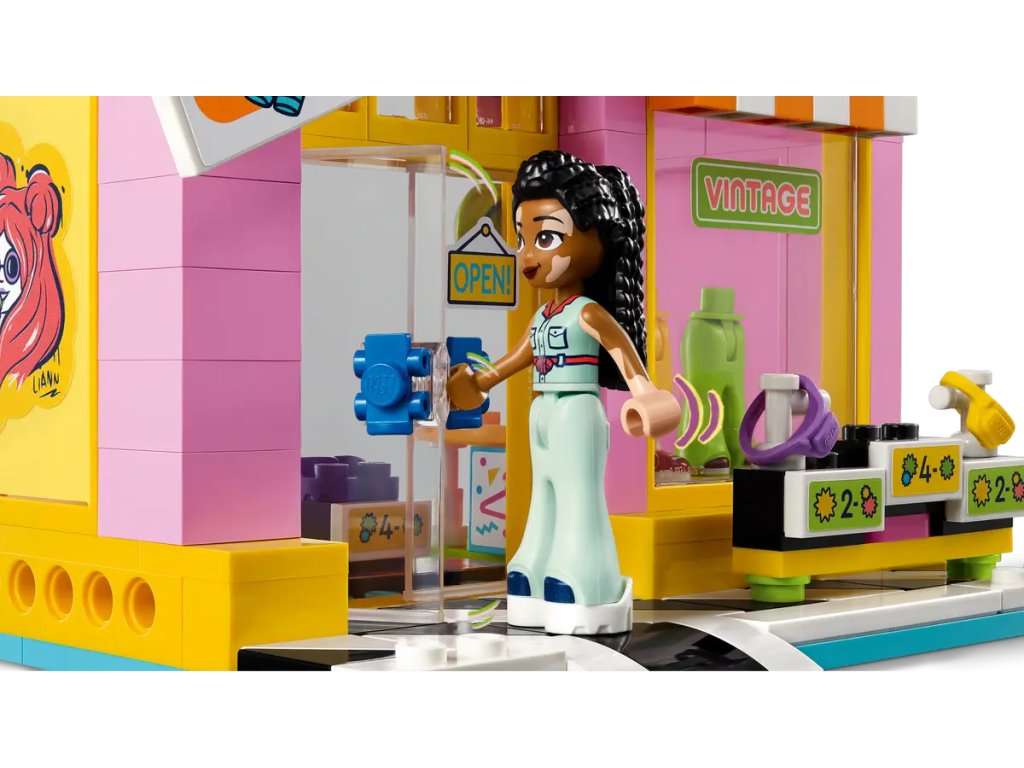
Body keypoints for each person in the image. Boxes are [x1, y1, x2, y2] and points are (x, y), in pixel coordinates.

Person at [447, 150, 680, 634]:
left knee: (579, 495)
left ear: (598, 238)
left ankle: (583, 576)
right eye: (522, 239)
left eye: (546, 238)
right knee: (544, 493)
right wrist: (481, 381)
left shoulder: (588, 312)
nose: (528, 255)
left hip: (576, 411)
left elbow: (623, 352)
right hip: (543, 412)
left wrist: (644, 393)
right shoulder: (544, 316)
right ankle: (535, 564)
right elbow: (517, 357)